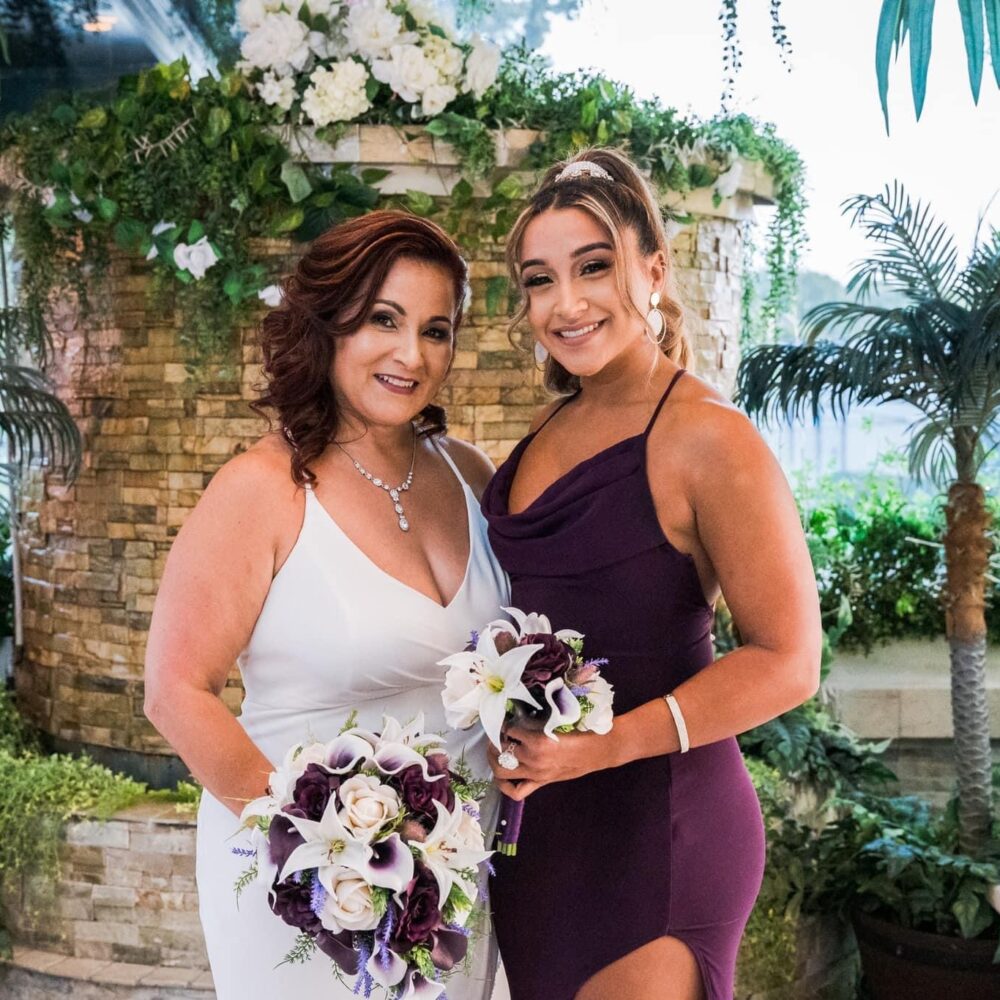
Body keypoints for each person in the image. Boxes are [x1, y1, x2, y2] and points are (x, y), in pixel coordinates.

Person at [480, 148, 821, 1000]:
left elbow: (789, 659)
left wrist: (604, 746)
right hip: (545, 832)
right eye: (538, 280)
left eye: (593, 267)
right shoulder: (549, 430)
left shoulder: (710, 437)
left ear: (655, 270)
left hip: (660, 833)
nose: (566, 303)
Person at [144, 210, 507, 999]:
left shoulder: (472, 476)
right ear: (328, 323)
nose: (412, 354)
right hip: (307, 891)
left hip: (456, 881)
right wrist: (327, 848)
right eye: (384, 319)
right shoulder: (261, 490)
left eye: (436, 330)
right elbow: (175, 691)